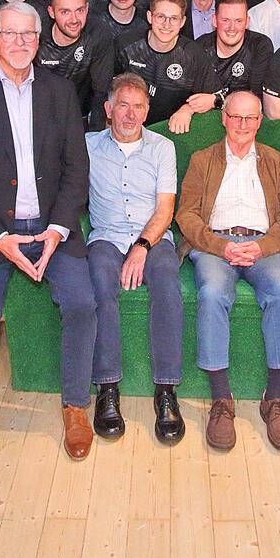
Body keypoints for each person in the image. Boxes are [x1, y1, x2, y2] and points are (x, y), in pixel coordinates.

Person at [0, 1, 96, 511]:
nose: (21, 42)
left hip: (52, 225)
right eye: (10, 34)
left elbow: (77, 169)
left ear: (39, 38)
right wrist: (0, 239)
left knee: (81, 303)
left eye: (29, 34)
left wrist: (55, 231)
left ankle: (75, 404)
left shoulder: (59, 91)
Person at [175, 91, 280, 452]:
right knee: (213, 292)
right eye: (236, 117)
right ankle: (221, 401)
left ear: (260, 121)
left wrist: (262, 247)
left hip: (263, 244)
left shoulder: (275, 161)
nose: (243, 125)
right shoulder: (203, 160)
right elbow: (188, 214)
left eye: (251, 118)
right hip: (215, 244)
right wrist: (221, 246)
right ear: (224, 119)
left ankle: (274, 400)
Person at [84, 74, 184, 444]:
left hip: (153, 238)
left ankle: (166, 391)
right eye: (122, 105)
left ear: (147, 111)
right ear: (108, 110)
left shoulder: (162, 148)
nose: (130, 114)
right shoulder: (88, 146)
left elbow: (166, 208)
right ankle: (107, 389)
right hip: (106, 237)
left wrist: (142, 246)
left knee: (167, 286)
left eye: (138, 106)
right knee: (99, 287)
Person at [114, 0, 221, 133]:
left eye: (174, 18)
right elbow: (108, 91)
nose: (167, 24)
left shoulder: (192, 54)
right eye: (161, 17)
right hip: (129, 129)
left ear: (182, 22)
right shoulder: (126, 45)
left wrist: (188, 109)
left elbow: (220, 97)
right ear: (150, 17)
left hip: (171, 132)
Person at [36, 0, 115, 129]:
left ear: (86, 8)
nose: (74, 19)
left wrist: (94, 137)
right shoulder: (37, 36)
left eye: (79, 10)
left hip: (81, 118)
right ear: (51, 12)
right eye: (65, 12)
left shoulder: (98, 33)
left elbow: (101, 91)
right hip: (41, 119)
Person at [197, 0, 274, 101]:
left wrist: (216, 101)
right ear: (214, 20)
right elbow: (194, 95)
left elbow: (256, 96)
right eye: (226, 20)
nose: (232, 28)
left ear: (247, 22)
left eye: (238, 21)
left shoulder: (260, 46)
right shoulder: (200, 47)